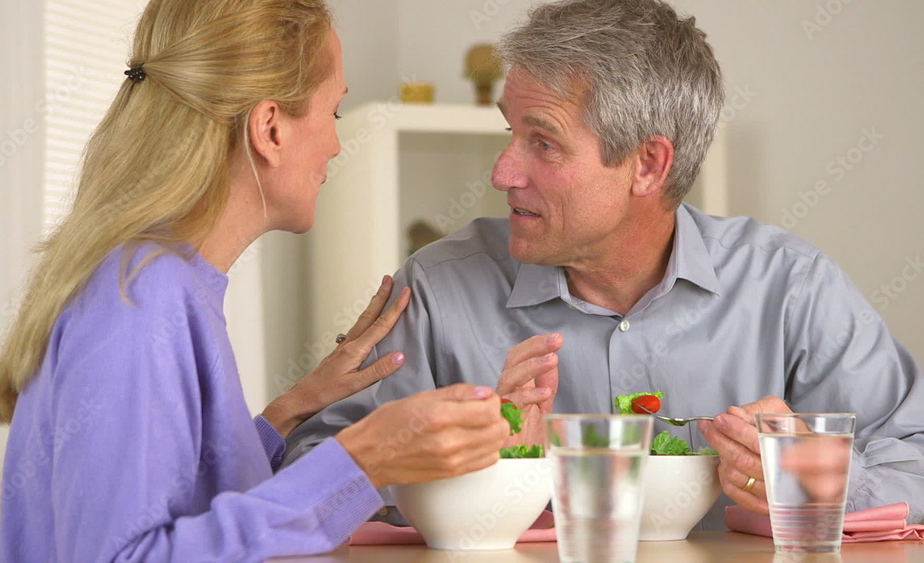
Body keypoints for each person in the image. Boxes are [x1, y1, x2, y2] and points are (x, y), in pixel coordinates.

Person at [285, 0, 924, 529]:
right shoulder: (434, 290)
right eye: (510, 132)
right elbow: (304, 483)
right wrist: (468, 472)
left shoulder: (790, 288)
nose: (502, 171)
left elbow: (916, 460)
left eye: (544, 142)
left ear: (647, 164)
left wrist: (821, 476)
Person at [0, 1, 512, 560]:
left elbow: (183, 508)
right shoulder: (141, 296)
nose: (336, 143)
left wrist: (287, 412)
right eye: (333, 113)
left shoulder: (170, 281)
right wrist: (365, 457)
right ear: (269, 129)